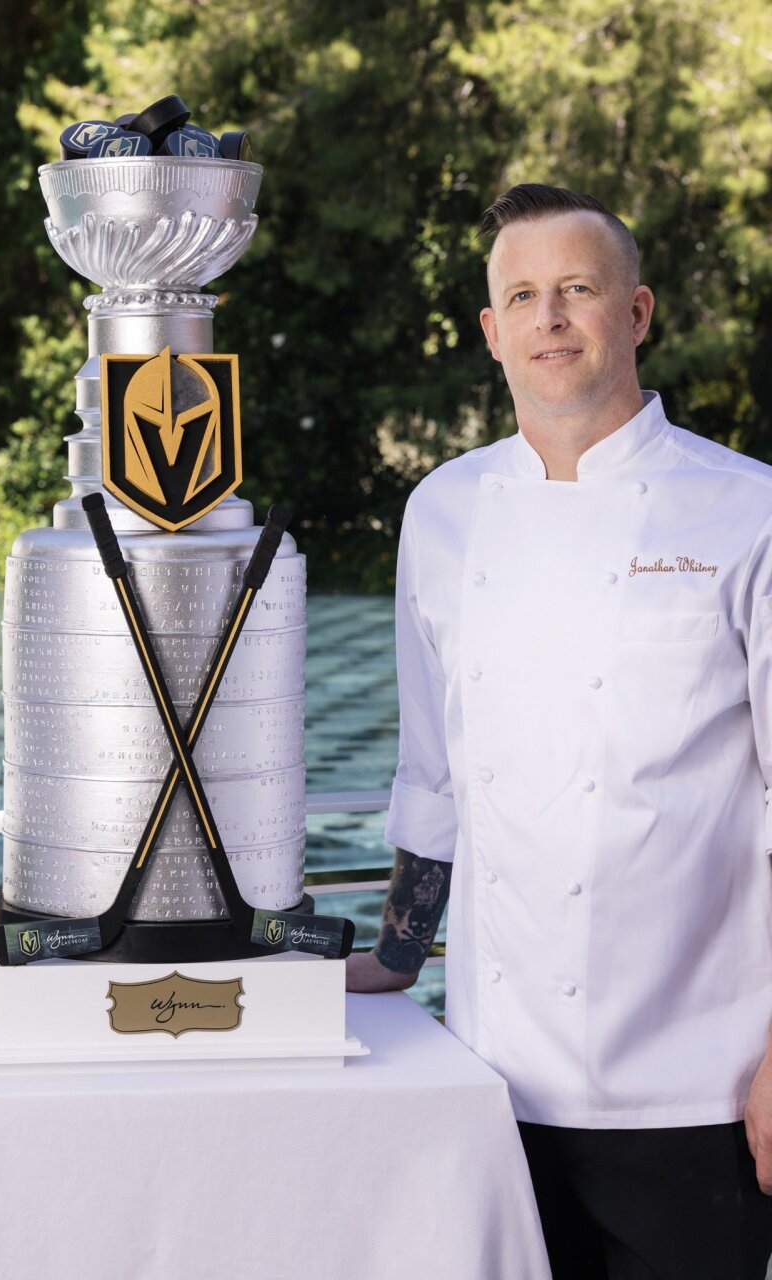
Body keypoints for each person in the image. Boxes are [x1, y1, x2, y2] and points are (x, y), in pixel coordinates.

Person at [347, 182, 772, 1278]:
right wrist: (394, 959)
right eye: (521, 296)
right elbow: (431, 775)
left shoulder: (747, 511)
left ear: (632, 314)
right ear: (489, 332)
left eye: (576, 290)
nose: (548, 318)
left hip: (702, 1081)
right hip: (492, 1076)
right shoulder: (440, 509)